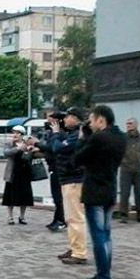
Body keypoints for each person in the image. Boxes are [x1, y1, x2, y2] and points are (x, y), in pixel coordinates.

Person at [74, 105, 127, 279]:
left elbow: (78, 159)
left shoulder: (98, 138)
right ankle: (103, 272)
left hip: (95, 192)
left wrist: (83, 138)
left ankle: (103, 277)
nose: (90, 123)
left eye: (92, 119)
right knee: (106, 235)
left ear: (101, 120)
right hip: (110, 190)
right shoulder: (121, 137)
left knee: (98, 236)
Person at [50, 107, 88, 265]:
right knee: (70, 217)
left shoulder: (77, 135)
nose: (64, 120)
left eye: (67, 117)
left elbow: (57, 148)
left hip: (74, 179)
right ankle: (74, 247)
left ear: (76, 118)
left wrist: (56, 133)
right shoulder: (73, 134)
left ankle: (79, 252)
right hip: (68, 179)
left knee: (75, 217)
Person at [35, 111, 66, 232]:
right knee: (56, 196)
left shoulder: (60, 134)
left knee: (58, 196)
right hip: (53, 167)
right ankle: (56, 218)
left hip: (58, 168)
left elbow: (52, 148)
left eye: (51, 120)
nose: (48, 123)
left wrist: (37, 144)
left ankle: (61, 220)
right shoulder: (53, 134)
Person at [2, 126, 35, 225]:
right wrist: (18, 148)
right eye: (14, 133)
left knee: (24, 195)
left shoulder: (27, 144)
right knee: (10, 196)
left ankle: (22, 216)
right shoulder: (10, 143)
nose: (15, 135)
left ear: (22, 135)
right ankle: (10, 217)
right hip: (13, 172)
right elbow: (6, 153)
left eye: (18, 133)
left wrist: (29, 150)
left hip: (24, 172)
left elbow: (29, 157)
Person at [118, 118, 140, 223]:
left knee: (139, 193)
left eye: (130, 123)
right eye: (127, 123)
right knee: (124, 193)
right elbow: (118, 151)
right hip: (125, 170)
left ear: (136, 125)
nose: (128, 125)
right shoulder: (123, 138)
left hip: (138, 170)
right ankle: (123, 215)